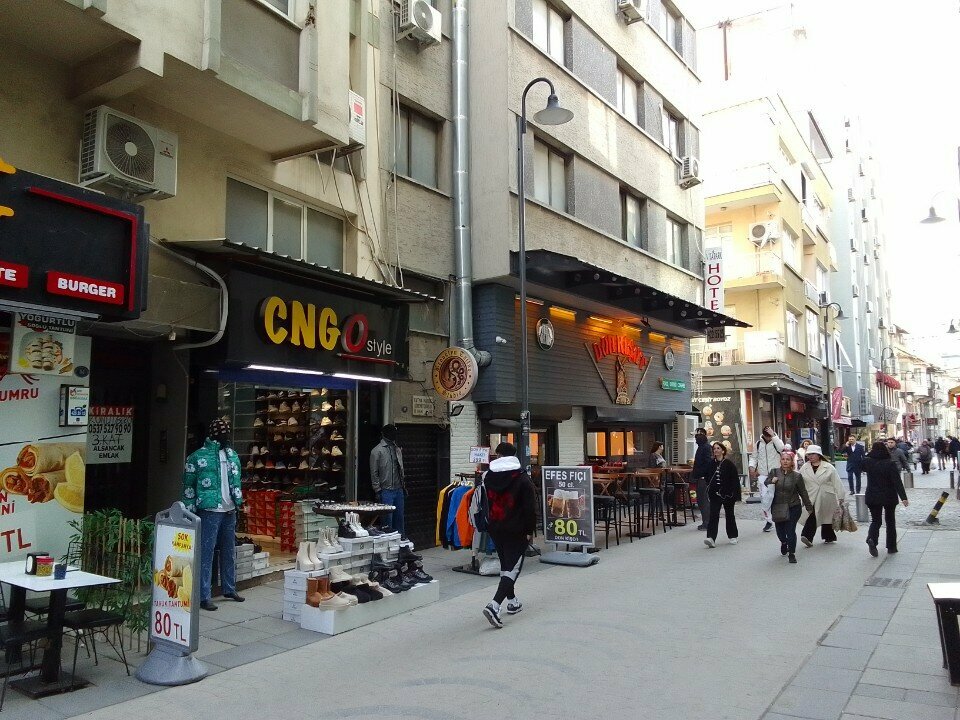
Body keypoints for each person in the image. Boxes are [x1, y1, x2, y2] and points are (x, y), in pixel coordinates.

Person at [182, 418, 245, 611]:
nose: (227, 436)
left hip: (229, 508)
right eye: (223, 432)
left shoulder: (232, 455)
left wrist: (238, 501)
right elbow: (188, 486)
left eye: (227, 431)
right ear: (214, 434)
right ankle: (203, 595)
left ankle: (229, 588)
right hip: (209, 509)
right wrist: (189, 511)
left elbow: (237, 480)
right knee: (206, 553)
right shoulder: (197, 457)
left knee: (229, 550)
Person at [482, 442, 537, 629]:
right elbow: (530, 508)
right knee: (513, 568)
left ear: (499, 455)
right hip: (516, 528)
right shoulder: (522, 478)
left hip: (495, 527)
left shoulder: (488, 476)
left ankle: (512, 601)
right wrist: (529, 530)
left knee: (506, 564)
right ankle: (494, 605)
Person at [764, 451, 813, 564]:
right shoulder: (774, 472)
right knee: (780, 531)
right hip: (778, 507)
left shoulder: (797, 476)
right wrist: (771, 481)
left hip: (793, 506)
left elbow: (803, 492)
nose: (785, 461)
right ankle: (784, 542)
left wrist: (809, 507)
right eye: (783, 459)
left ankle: (792, 553)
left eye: (788, 459)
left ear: (792, 462)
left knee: (790, 530)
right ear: (780, 461)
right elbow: (766, 483)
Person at [863, 441, 909, 556]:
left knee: (876, 520)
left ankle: (872, 539)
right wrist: (903, 497)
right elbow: (897, 481)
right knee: (890, 521)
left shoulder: (868, 462)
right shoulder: (890, 463)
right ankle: (891, 547)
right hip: (889, 496)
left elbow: (858, 466)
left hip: (872, 495)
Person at [799, 444, 845, 546]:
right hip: (811, 495)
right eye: (809, 454)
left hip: (826, 495)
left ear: (819, 455)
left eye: (813, 454)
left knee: (826, 516)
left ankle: (828, 536)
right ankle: (807, 536)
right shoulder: (804, 467)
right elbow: (800, 482)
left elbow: (837, 482)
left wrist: (841, 496)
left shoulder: (828, 467)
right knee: (813, 514)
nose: (810, 456)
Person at [370, 424, 406, 537]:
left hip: (398, 489)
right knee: (387, 520)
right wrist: (377, 490)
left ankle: (401, 540)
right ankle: (388, 542)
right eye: (392, 433)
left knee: (399, 518)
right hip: (386, 490)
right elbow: (374, 472)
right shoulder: (377, 451)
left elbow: (401, 468)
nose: (394, 436)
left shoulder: (397, 449)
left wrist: (403, 486)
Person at [704, 442, 740, 548]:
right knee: (713, 515)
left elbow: (735, 480)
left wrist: (735, 495)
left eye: (718, 448)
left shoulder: (729, 464)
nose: (716, 450)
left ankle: (733, 535)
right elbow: (707, 477)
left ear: (723, 451)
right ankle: (711, 537)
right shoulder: (711, 464)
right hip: (715, 494)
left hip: (728, 494)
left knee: (730, 514)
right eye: (714, 448)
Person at [748, 425, 783, 532]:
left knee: (775, 497)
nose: (768, 438)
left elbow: (781, 448)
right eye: (766, 436)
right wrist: (751, 466)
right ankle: (769, 521)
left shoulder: (776, 441)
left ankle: (779, 518)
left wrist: (774, 436)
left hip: (776, 473)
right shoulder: (758, 444)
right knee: (765, 497)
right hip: (763, 474)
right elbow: (754, 457)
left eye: (769, 436)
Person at [691, 428, 713, 531]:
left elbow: (707, 462)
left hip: (703, 478)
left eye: (697, 436)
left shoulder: (705, 447)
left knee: (703, 501)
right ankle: (706, 522)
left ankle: (707, 523)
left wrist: (703, 474)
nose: (696, 439)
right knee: (701, 501)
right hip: (701, 477)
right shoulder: (703, 447)